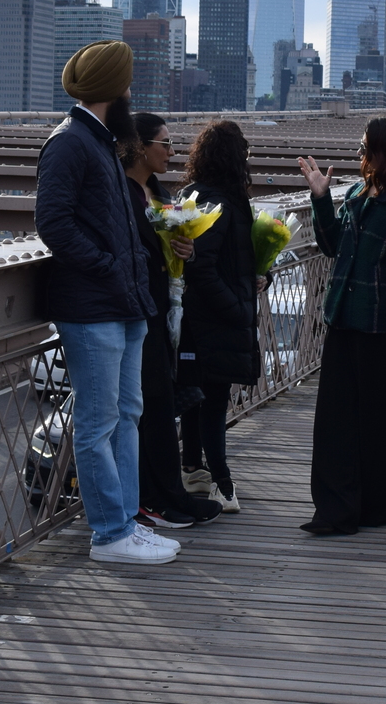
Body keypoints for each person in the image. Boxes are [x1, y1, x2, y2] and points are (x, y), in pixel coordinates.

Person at [35, 41, 180, 565]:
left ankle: (127, 521)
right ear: (113, 90)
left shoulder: (99, 142)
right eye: (127, 85)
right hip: (92, 305)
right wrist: (106, 265)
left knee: (126, 415)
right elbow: (52, 222)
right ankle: (110, 534)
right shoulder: (69, 143)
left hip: (123, 303)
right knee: (98, 425)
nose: (130, 94)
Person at [295, 118, 386, 535]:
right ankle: (337, 509)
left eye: (365, 147)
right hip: (343, 317)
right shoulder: (355, 193)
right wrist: (320, 198)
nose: (360, 153)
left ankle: (380, 505)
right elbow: (332, 246)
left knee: (378, 418)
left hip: (381, 323)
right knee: (335, 418)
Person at [125, 113, 222, 529]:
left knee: (161, 403)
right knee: (147, 405)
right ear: (140, 146)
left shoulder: (159, 193)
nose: (172, 151)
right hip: (136, 311)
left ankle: (171, 495)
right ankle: (154, 500)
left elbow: (172, 249)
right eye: (164, 143)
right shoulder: (122, 194)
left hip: (163, 311)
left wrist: (186, 251)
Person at [178, 120, 263, 514]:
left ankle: (191, 469)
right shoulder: (221, 203)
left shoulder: (194, 195)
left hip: (195, 318)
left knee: (195, 396)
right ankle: (223, 486)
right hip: (215, 318)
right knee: (214, 401)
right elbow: (202, 267)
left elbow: (222, 260)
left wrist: (258, 275)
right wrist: (236, 306)